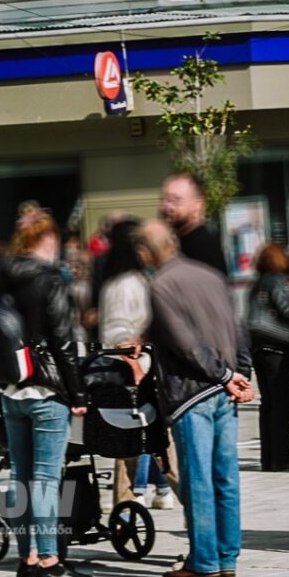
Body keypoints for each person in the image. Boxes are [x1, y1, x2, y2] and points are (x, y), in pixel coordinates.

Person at [0, 209, 91, 577]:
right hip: (47, 389)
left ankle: (26, 557)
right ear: (47, 240)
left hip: (10, 389)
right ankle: (49, 559)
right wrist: (78, 393)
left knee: (22, 478)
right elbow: (63, 341)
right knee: (46, 480)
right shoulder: (50, 279)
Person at [148, 218, 255, 577]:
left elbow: (183, 343)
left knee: (198, 480)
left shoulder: (161, 284)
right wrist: (240, 374)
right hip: (224, 389)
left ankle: (204, 560)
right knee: (226, 477)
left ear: (148, 251)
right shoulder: (211, 277)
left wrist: (224, 375)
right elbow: (239, 328)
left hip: (193, 392)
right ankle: (227, 557)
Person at [99, 219, 178, 510]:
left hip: (130, 372)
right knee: (161, 449)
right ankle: (196, 516)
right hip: (135, 373)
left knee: (130, 447)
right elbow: (119, 333)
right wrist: (132, 362)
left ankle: (126, 510)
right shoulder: (128, 283)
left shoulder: (122, 281)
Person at [246, 243, 289, 472]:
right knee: (281, 404)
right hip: (278, 347)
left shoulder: (255, 283)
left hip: (259, 347)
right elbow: (287, 310)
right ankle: (282, 456)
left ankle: (267, 457)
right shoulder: (277, 280)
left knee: (267, 403)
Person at [159, 172, 228, 276]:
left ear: (197, 205)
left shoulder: (203, 248)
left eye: (176, 200)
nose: (168, 207)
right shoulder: (178, 242)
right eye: (164, 200)